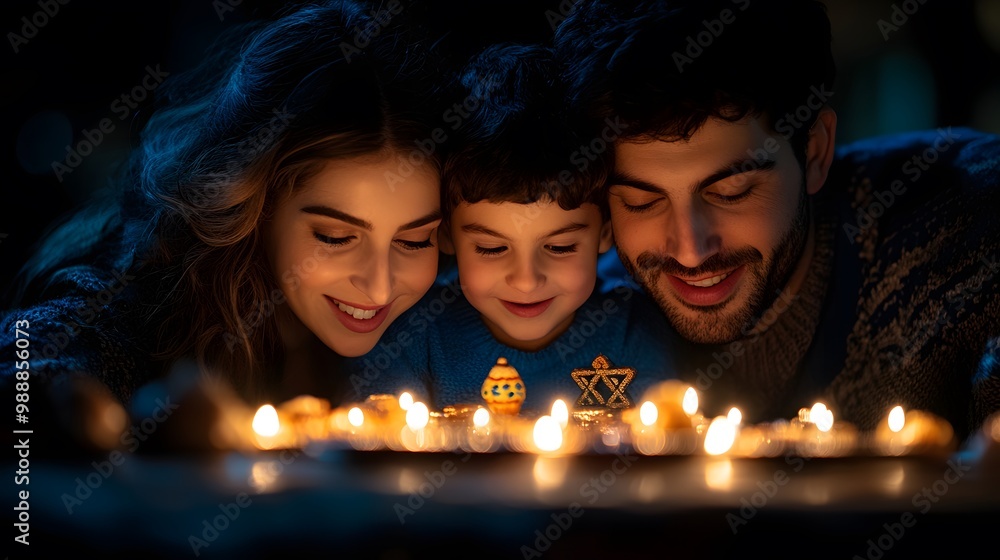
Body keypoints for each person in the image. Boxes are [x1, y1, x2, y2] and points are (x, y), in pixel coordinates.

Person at [554, 0, 1000, 442]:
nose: (690, 250)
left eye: (732, 192)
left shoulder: (976, 227)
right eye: (640, 202)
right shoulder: (576, 305)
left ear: (815, 151)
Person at [0, 0, 448, 413]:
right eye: (335, 237)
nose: (378, 288)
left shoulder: (455, 316)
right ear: (255, 203)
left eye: (414, 241)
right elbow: (31, 365)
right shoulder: (146, 297)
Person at [345, 43, 679, 413]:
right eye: (491, 248)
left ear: (605, 232)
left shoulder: (635, 331)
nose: (525, 281)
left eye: (561, 247)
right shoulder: (411, 339)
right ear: (445, 236)